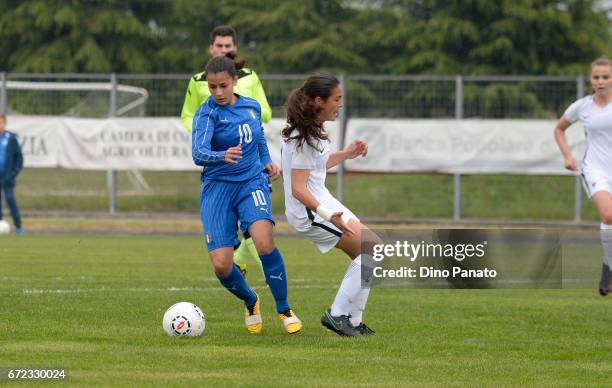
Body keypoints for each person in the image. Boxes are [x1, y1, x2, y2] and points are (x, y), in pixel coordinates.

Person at [192, 55, 301, 334]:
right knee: (222, 265)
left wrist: (267, 161)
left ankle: (284, 308)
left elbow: (259, 139)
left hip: (251, 182)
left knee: (264, 243)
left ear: (235, 82)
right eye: (213, 87)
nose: (218, 92)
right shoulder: (207, 114)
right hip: (217, 188)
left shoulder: (251, 107)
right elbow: (198, 153)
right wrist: (221, 155)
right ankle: (251, 300)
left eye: (223, 86)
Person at [281, 74, 379, 336]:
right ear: (318, 101)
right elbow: (298, 189)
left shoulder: (311, 129)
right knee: (373, 249)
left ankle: (353, 321)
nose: (340, 104)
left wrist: (347, 154)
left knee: (370, 251)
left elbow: (316, 167)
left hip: (321, 201)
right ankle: (337, 316)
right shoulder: (304, 135)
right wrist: (327, 214)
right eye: (336, 99)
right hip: (310, 212)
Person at [181, 25, 272, 280]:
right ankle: (240, 264)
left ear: (235, 48)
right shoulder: (198, 81)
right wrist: (206, 134)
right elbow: (188, 116)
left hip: (249, 161)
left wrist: (243, 117)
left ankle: (269, 276)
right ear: (211, 48)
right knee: (229, 229)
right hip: (218, 164)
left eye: (228, 46)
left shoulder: (250, 77)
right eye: (219, 46)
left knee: (255, 225)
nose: (224, 49)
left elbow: (264, 112)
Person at [554, 57, 612, 296]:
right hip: (595, 169)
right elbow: (559, 129)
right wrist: (567, 156)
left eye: (606, 77)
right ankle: (610, 268)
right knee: (609, 215)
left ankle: (608, 264)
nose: (600, 81)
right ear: (591, 79)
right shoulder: (582, 106)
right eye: (596, 77)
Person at [0, 114, 24, 235]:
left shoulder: (11, 138)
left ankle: (19, 226)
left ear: (5, 124)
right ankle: (0, 224)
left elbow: (19, 159)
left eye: (1, 123)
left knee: (10, 199)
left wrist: (13, 174)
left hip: (7, 177)